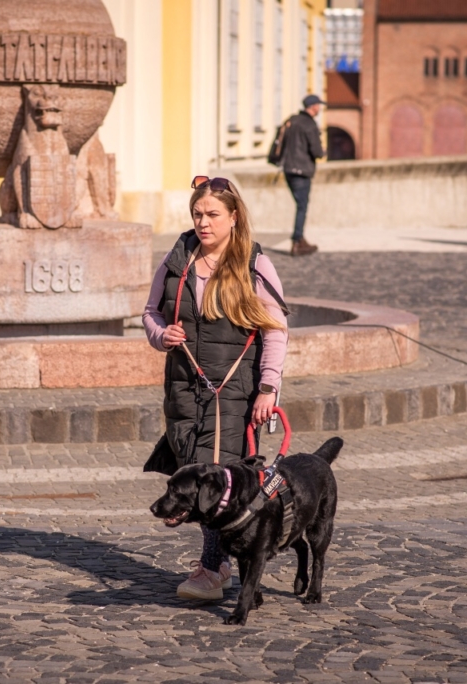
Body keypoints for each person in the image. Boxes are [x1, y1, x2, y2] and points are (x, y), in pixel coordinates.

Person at [143, 175, 289, 601]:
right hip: (185, 389)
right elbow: (150, 312)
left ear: (233, 217)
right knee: (192, 469)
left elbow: (276, 330)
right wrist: (160, 335)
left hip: (235, 391)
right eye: (197, 214)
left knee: (218, 477)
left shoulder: (254, 264)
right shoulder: (178, 259)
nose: (202, 223)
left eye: (212, 215)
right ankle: (225, 561)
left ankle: (213, 567)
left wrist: (268, 388)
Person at [282, 94, 326, 256]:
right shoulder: (309, 124)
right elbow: (316, 150)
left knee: (300, 204)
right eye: (319, 105)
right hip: (302, 170)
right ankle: (297, 241)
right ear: (314, 106)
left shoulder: (291, 120)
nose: (320, 108)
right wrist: (322, 152)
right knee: (302, 206)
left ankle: (300, 239)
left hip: (287, 168)